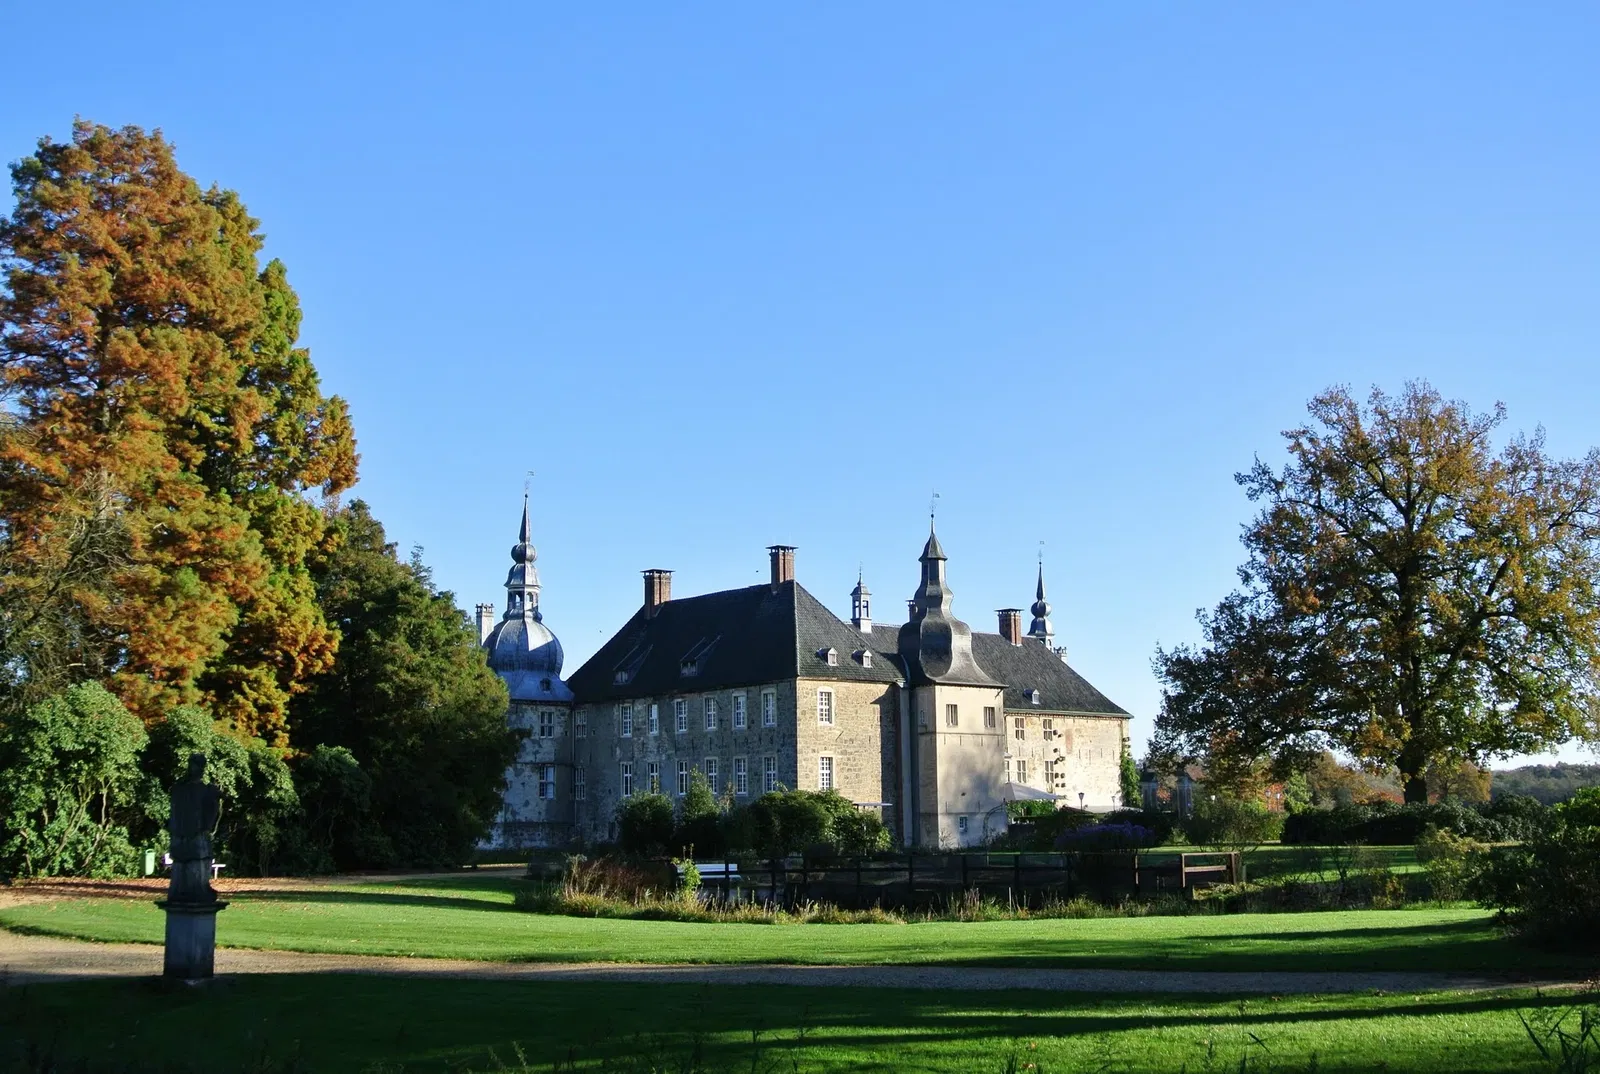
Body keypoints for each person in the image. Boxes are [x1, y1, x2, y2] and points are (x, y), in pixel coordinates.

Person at [167, 753, 222, 904]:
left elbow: (211, 811)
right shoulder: (187, 789)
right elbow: (211, 811)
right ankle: (196, 890)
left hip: (187, 835)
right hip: (190, 835)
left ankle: (196, 889)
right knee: (195, 860)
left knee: (197, 861)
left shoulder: (182, 789)